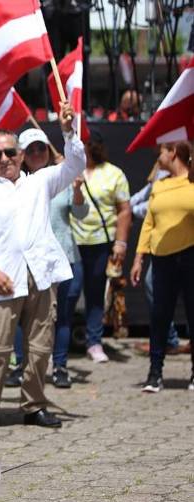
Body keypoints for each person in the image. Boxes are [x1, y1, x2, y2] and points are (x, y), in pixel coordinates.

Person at [0, 103, 85, 428]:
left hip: (41, 275)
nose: (4, 159)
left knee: (40, 347)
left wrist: (67, 130)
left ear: (20, 155)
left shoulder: (40, 182)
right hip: (5, 279)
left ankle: (33, 405)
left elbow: (76, 163)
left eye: (9, 153)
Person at [10, 129, 88, 389]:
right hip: (27, 261)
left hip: (61, 256)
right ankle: (20, 365)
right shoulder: (16, 183)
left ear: (47, 149)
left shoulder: (58, 176)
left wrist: (77, 191)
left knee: (61, 316)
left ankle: (60, 366)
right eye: (30, 150)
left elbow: (81, 213)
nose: (36, 154)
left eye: (40, 148)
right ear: (21, 155)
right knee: (23, 318)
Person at [130, 141, 194, 393]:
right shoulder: (160, 185)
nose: (158, 158)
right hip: (161, 258)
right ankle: (155, 373)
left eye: (161, 153)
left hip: (190, 255)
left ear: (173, 153)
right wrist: (139, 257)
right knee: (159, 316)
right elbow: (149, 223)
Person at [71, 130, 131, 363]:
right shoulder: (70, 169)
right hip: (72, 242)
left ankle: (94, 342)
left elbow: (124, 210)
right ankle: (60, 340)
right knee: (71, 291)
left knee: (96, 293)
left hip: (100, 242)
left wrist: (121, 242)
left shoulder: (114, 174)